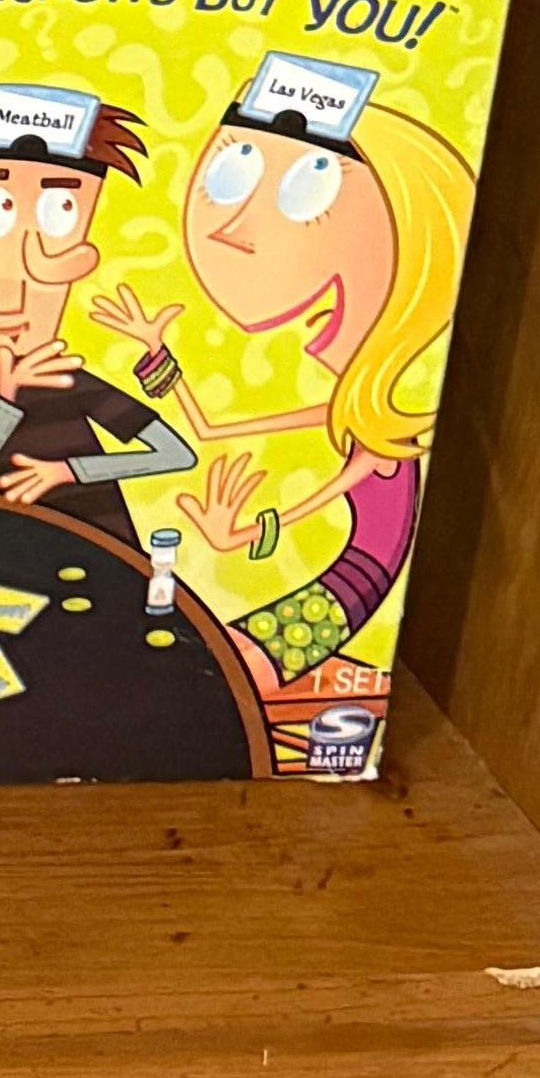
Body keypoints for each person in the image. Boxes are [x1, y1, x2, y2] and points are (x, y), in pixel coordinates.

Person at [177, 56, 471, 675]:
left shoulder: (384, 420)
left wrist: (243, 535)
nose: (232, 226)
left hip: (341, 595)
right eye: (232, 173)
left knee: (213, 679)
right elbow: (208, 431)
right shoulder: (355, 399)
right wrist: (157, 354)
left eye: (309, 189)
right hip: (329, 588)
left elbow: (320, 500)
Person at [0, 82, 197, 548]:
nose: (29, 257)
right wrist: (2, 406)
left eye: (61, 212)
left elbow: (175, 454)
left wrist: (67, 472)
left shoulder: (57, 375)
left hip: (110, 559)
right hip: (14, 569)